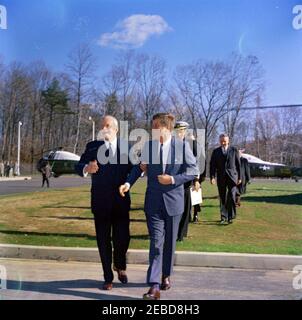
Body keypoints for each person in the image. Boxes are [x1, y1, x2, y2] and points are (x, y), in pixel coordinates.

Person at [119, 113, 199, 300]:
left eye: (155, 126)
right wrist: (128, 184)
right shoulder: (150, 147)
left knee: (169, 243)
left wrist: (172, 179)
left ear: (166, 128)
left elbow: (193, 170)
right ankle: (154, 286)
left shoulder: (181, 146)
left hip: (174, 203)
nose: (152, 130)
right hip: (153, 203)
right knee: (156, 243)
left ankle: (166, 275)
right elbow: (139, 168)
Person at [75, 115, 133, 291]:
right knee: (103, 240)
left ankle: (120, 265)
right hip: (100, 202)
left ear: (116, 129)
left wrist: (143, 170)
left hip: (121, 201)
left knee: (122, 238)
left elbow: (136, 169)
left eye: (107, 126)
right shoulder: (92, 147)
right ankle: (108, 276)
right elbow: (78, 165)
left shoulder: (127, 147)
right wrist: (87, 168)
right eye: (102, 126)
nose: (104, 128)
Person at [174, 121, 200, 241]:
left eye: (182, 131)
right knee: (174, 209)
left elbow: (195, 163)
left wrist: (196, 180)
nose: (180, 133)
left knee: (185, 208)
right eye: (178, 131)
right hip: (173, 181)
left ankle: (181, 234)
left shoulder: (190, 144)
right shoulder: (171, 144)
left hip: (186, 181)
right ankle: (173, 232)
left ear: (185, 131)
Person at [210, 134, 241, 225]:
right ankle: (223, 217)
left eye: (224, 141)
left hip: (232, 177)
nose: (223, 143)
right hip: (221, 177)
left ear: (228, 141)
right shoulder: (216, 151)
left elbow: (238, 164)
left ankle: (230, 217)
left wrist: (239, 177)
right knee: (222, 198)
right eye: (221, 141)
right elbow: (212, 166)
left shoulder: (234, 150)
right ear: (219, 141)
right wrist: (212, 177)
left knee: (231, 196)